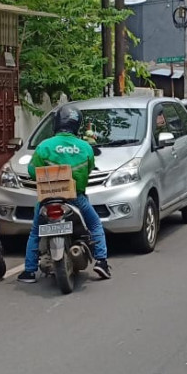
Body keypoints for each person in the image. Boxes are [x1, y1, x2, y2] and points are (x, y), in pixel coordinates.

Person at [17, 104, 111, 282]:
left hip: (47, 200)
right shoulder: (85, 147)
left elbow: (31, 171)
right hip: (76, 198)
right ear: (77, 125)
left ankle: (29, 271)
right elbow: (90, 168)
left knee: (35, 232)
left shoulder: (44, 146)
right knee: (95, 225)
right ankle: (101, 262)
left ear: (57, 123)